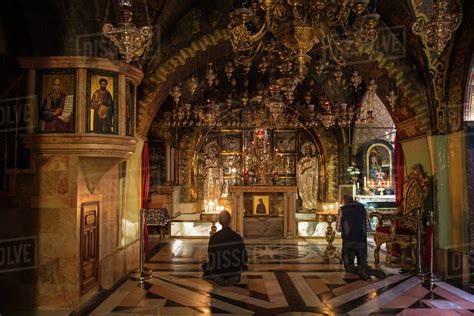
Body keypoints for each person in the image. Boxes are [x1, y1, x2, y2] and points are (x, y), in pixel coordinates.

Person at [336, 195, 385, 280]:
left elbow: (338, 229)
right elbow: (369, 227)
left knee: (348, 266)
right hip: (361, 240)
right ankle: (370, 271)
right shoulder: (363, 209)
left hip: (348, 241)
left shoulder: (342, 210)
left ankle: (361, 271)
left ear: (345, 201)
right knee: (363, 263)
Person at [202, 210, 248, 286]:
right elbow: (244, 259)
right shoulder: (237, 237)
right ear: (230, 221)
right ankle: (234, 277)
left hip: (218, 270)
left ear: (219, 222)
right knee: (243, 267)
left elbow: (211, 256)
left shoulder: (213, 238)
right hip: (233, 269)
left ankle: (217, 277)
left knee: (205, 266)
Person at [296, 142, 319, 210]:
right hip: (304, 179)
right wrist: (303, 162)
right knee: (304, 191)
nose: (307, 151)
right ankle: (305, 205)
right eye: (306, 149)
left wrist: (305, 169)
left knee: (310, 191)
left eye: (308, 149)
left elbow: (314, 167)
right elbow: (298, 167)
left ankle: (312, 205)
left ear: (311, 150)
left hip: (311, 178)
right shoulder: (303, 159)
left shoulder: (314, 159)